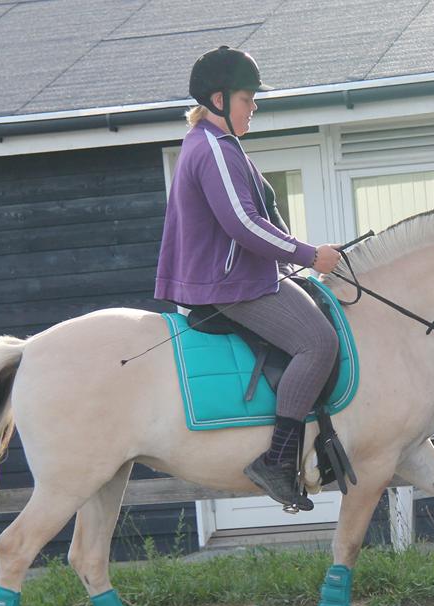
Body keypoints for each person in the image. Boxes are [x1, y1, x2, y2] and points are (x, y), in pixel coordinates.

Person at [155, 46, 343, 510]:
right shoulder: (213, 148)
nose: (254, 106)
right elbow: (243, 223)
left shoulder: (221, 146)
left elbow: (260, 219)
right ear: (218, 100)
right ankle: (277, 460)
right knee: (318, 343)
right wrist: (308, 254)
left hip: (242, 277)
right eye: (247, 98)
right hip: (230, 287)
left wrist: (296, 259)